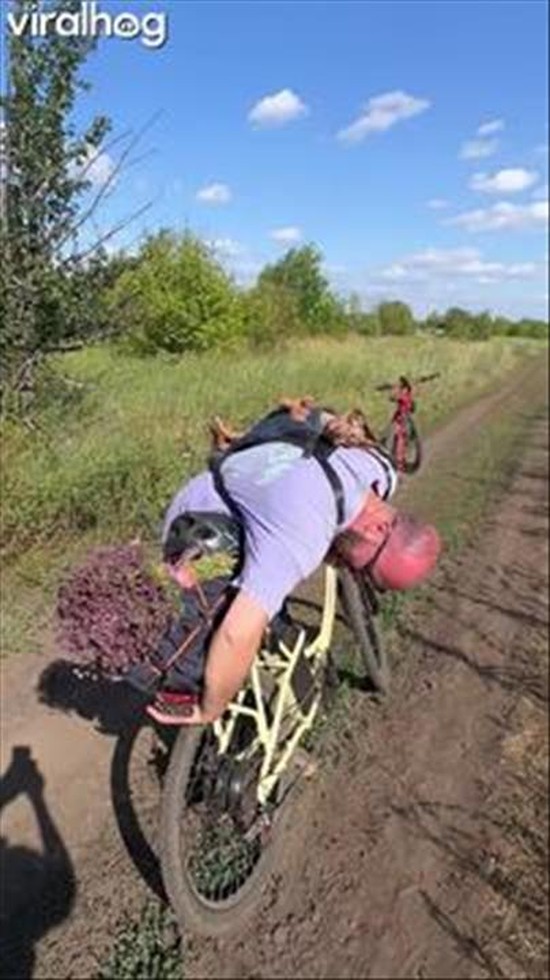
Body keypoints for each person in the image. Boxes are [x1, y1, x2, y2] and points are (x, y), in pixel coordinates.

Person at [147, 402, 398, 727]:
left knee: (240, 599)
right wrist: (211, 709)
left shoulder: (335, 457)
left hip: (188, 512)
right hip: (216, 536)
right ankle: (306, 719)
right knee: (268, 625)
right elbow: (237, 633)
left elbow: (311, 415)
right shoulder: (303, 530)